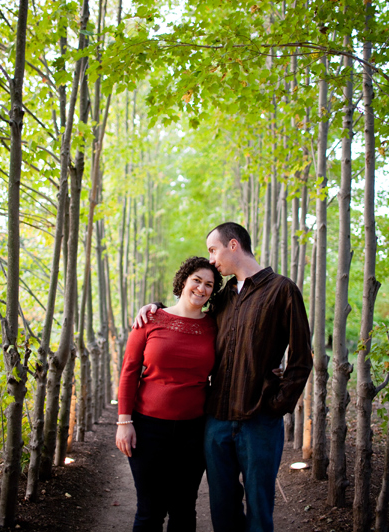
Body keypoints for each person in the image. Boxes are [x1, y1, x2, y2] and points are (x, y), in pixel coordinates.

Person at [135, 222, 313, 532]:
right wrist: (156, 309)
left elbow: (301, 360)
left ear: (233, 245)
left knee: (258, 508)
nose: (212, 259)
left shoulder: (282, 290)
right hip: (216, 420)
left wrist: (276, 406)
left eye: (213, 250)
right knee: (222, 506)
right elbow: (190, 313)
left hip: (259, 419)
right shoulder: (223, 297)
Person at [116, 256, 222, 531]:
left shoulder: (214, 325)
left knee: (184, 508)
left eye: (209, 285)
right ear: (183, 281)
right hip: (147, 428)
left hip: (194, 430)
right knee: (150, 510)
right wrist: (124, 422)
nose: (201, 288)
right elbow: (129, 371)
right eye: (196, 281)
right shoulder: (151, 318)